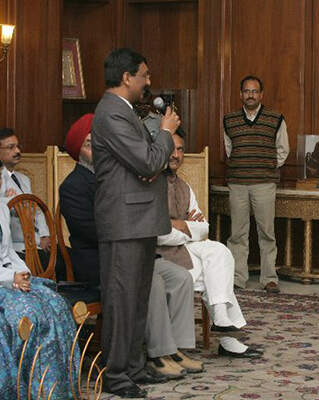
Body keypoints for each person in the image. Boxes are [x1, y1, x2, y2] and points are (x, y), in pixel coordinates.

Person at [60, 114, 203, 382]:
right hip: (99, 260)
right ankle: (159, 355)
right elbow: (92, 232)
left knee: (180, 277)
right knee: (153, 281)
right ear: (78, 152)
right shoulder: (72, 186)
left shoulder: (112, 177)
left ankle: (177, 349)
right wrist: (132, 228)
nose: (97, 149)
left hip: (133, 252)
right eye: (89, 144)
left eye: (99, 143)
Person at [92, 48, 178, 398]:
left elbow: (148, 163)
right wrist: (166, 132)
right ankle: (116, 375)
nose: (148, 82)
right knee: (122, 301)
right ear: (127, 77)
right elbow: (148, 162)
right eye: (144, 75)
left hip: (138, 219)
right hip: (124, 221)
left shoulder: (126, 111)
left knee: (138, 299)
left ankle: (133, 367)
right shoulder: (111, 113)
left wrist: (151, 160)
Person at [156, 128, 263, 358]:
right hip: (158, 255)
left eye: (180, 149)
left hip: (183, 250)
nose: (176, 155)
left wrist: (179, 225)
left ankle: (222, 320)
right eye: (171, 149)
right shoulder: (150, 185)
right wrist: (187, 226)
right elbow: (159, 235)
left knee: (219, 251)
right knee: (214, 275)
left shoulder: (184, 187)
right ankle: (227, 338)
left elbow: (204, 227)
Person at [0, 167, 80, 399]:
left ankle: (56, 390)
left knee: (56, 303)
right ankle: (27, 389)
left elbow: (8, 253)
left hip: (9, 277)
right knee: (28, 312)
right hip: (3, 281)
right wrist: (10, 278)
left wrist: (22, 272)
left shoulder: (2, 208)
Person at [223, 75, 289, 293]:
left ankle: (269, 278)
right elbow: (229, 150)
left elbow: (283, 150)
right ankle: (237, 277)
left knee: (266, 233)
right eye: (246, 91)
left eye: (254, 91)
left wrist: (267, 167)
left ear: (261, 95)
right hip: (238, 184)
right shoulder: (229, 120)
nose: (250, 95)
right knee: (237, 234)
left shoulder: (275, 118)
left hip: (264, 184)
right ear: (241, 94)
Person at [0, 128, 66, 277]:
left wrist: (44, 234)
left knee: (66, 256)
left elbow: (36, 211)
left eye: (18, 146)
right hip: (17, 247)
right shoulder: (1, 181)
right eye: (10, 147)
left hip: (37, 242)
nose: (17, 151)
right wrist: (5, 199)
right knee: (53, 265)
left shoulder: (24, 179)